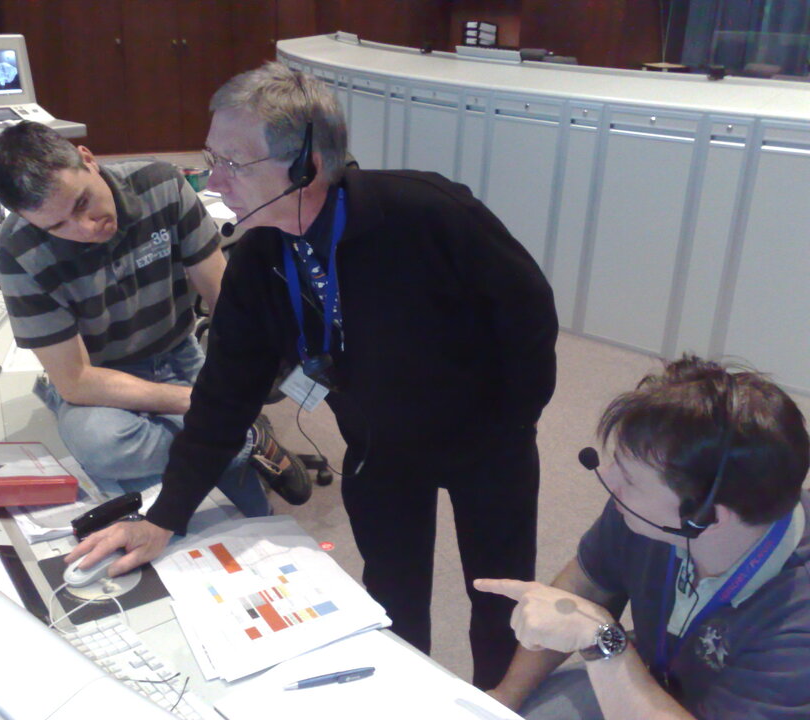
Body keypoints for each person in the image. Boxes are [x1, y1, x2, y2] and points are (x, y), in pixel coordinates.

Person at [68, 62, 558, 688]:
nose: (212, 180)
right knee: (392, 593)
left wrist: (513, 421)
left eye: (233, 164)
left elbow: (529, 313)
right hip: (378, 451)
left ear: (307, 167)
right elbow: (222, 399)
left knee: (500, 594)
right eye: (210, 157)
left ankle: (500, 701)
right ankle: (406, 696)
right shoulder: (259, 260)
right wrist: (165, 515)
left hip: (487, 445)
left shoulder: (429, 212)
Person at [0, 121, 311, 513]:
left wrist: (237, 374)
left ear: (88, 161)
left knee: (247, 514)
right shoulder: (18, 251)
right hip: (104, 381)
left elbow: (223, 298)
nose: (85, 228)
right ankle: (243, 440)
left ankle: (227, 434)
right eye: (57, 226)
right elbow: (75, 381)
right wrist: (200, 403)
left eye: (82, 203)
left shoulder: (161, 184)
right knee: (102, 445)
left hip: (178, 351)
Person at [477, 354, 810, 719]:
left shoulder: (797, 623)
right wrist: (505, 697)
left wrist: (603, 642)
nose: (609, 479)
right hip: (653, 675)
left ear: (706, 518)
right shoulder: (646, 513)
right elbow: (584, 585)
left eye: (630, 479)